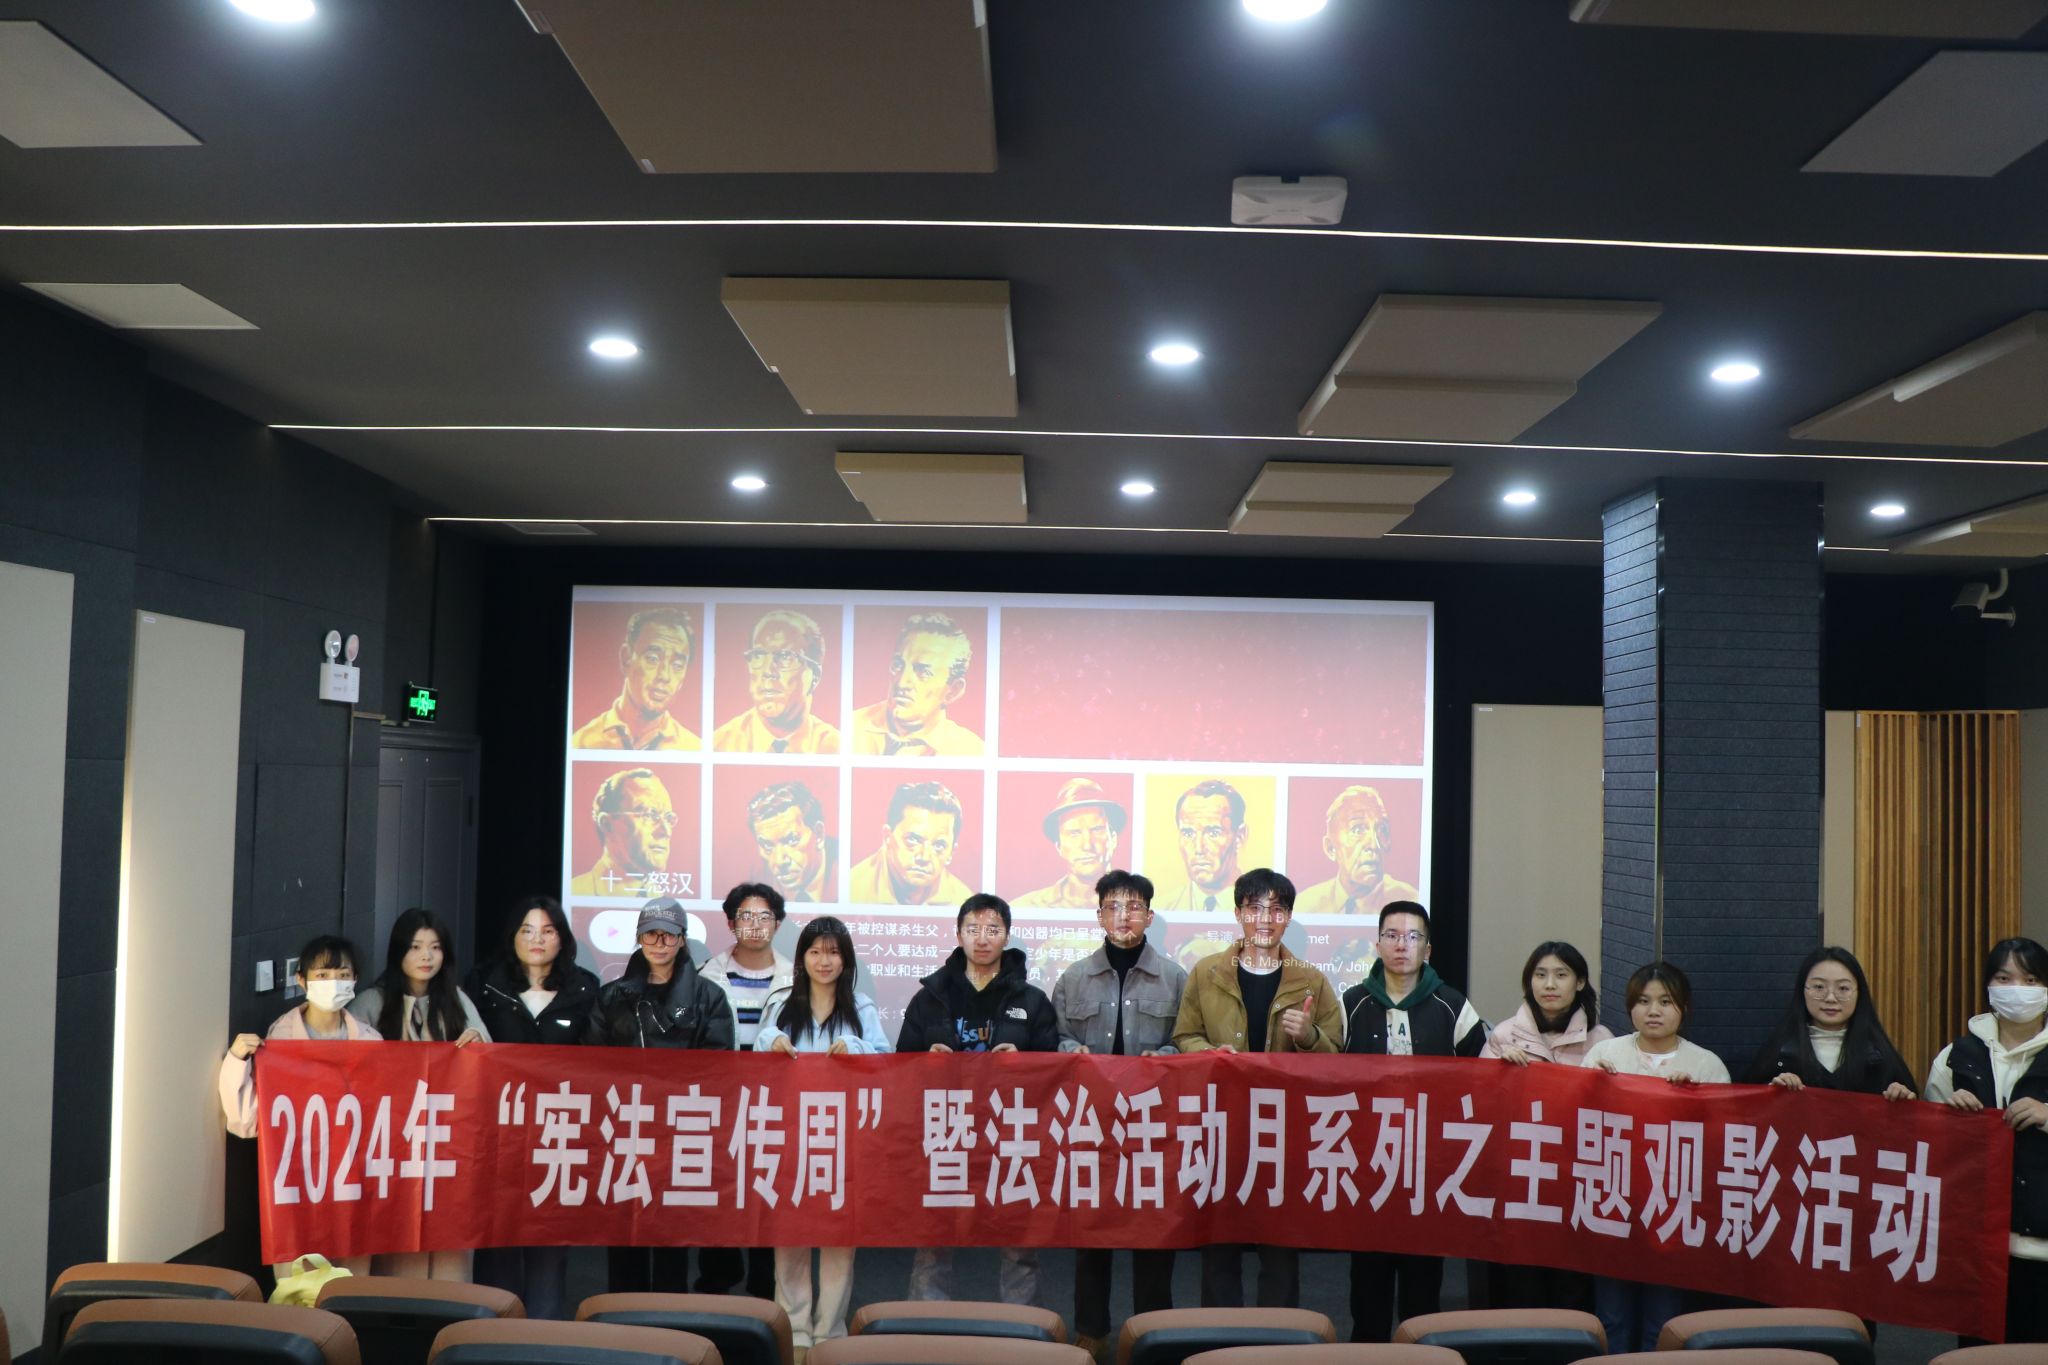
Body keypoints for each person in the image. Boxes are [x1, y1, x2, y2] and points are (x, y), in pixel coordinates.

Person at [1172, 869, 1344, 1309]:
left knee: (1280, 1241)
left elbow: (1337, 1058)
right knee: (1219, 1239)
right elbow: (1184, 1036)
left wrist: (1308, 1036)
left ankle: (1279, 1334)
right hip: (1221, 1124)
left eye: (1277, 910)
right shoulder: (1207, 972)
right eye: (1254, 908)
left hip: (1284, 1128)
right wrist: (1211, 1053)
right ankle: (1219, 1334)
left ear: (1288, 917)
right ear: (1238, 914)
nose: (1265, 919)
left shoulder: (1310, 980)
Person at [1049, 870, 1185, 1361]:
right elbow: (1056, 1037)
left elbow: (1187, 1039)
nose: (1123, 915)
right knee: (1092, 1229)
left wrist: (1164, 1055)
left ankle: (1153, 1329)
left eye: (1134, 907)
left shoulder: (1175, 977)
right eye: (1113, 906)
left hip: (1152, 1124)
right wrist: (1073, 1050)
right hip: (1093, 1121)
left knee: (1154, 1232)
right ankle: (1091, 1329)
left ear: (1150, 915)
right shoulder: (1073, 978)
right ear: (1099, 915)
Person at [898, 894, 1059, 1305]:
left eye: (992, 930)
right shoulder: (930, 996)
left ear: (1007, 936)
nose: (982, 938)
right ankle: (927, 1322)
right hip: (946, 1127)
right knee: (935, 1234)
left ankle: (1020, 1325)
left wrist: (1023, 1062)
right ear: (958, 935)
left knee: (1018, 1237)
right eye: (973, 929)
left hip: (1011, 1129)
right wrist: (924, 1061)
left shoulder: (1031, 999)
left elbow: (1055, 1069)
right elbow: (899, 1067)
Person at [1341, 901, 1486, 1341]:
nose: (1401, 945)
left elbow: (1484, 1079)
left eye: (1412, 936)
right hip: (1368, 1163)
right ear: (1377, 944)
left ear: (1428, 949)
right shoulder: (1351, 1003)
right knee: (1368, 1283)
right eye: (1392, 935)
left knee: (1423, 1286)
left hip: (1429, 1166)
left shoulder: (1453, 1005)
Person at [756, 916, 892, 1358]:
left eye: (833, 952)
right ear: (802, 959)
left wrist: (858, 1050)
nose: (824, 961)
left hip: (843, 1141)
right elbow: (754, 1058)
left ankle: (829, 1333)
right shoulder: (780, 1004)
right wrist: (771, 1043)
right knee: (790, 1240)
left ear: (846, 959)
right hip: (791, 1138)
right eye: (815, 952)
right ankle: (794, 1333)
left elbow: (887, 1062)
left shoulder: (862, 1008)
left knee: (839, 1241)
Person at [588, 898, 738, 1295]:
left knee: (672, 1235)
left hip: (681, 1133)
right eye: (650, 934)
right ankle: (623, 1320)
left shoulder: (709, 997)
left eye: (668, 935)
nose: (659, 943)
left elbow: (718, 1067)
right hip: (624, 1131)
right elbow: (591, 1065)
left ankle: (669, 1322)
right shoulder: (611, 997)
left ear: (682, 940)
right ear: (639, 939)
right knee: (624, 1234)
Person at [464, 896, 602, 1317]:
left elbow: (598, 1059)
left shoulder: (584, 988)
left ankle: (544, 1333)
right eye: (527, 930)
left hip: (558, 1132)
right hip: (498, 1131)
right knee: (499, 1237)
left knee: (548, 1240)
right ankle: (497, 1334)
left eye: (547, 930)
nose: (536, 939)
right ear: (513, 936)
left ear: (562, 938)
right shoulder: (483, 984)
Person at [1582, 962, 1729, 1353]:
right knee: (1611, 1316)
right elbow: (1575, 1125)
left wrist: (1695, 1101)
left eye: (1666, 1002)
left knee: (1662, 1320)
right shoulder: (1605, 1053)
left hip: (1673, 1212)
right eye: (1644, 1001)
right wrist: (1591, 1086)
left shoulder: (1705, 1064)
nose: (1653, 1011)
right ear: (1630, 1006)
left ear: (1684, 1008)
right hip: (1613, 1206)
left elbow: (1724, 1141)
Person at [220, 935, 379, 1278]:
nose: (333, 982)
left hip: (354, 1181)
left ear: (355, 980)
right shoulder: (280, 1041)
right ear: (301, 980)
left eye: (343, 974)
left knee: (352, 1285)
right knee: (300, 1286)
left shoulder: (371, 1041)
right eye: (322, 975)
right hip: (298, 1182)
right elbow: (246, 1121)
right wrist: (236, 1060)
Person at [347, 909, 489, 1280]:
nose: (426, 956)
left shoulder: (457, 1000)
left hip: (447, 1143)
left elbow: (490, 1066)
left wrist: (477, 1045)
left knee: (448, 1237)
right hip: (391, 1142)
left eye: (435, 947)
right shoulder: (371, 1002)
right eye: (415, 947)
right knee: (396, 1233)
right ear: (398, 951)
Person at [1924, 937, 2048, 1345]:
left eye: (2030, 980)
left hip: (2042, 1250)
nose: (2017, 989)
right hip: (1977, 1247)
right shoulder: (1954, 1057)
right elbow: (1928, 1145)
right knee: (1979, 1353)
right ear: (1988, 987)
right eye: (2004, 978)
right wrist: (1950, 1119)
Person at [1478, 940, 1612, 1312]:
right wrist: (1498, 1072)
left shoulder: (1602, 1041)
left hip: (1576, 1177)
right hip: (1522, 1177)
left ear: (1580, 982)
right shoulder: (1504, 1035)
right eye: (1540, 975)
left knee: (1572, 1283)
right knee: (1522, 1281)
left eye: (1560, 975)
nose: (1549, 984)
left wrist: (1609, 1081)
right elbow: (1479, 1105)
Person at [698, 883, 793, 1299]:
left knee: (767, 1192)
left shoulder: (797, 978)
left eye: (764, 917)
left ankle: (762, 1289)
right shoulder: (706, 976)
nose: (755, 925)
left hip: (776, 1105)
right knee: (719, 1192)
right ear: (731, 922)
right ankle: (716, 1284)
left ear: (778, 924)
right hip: (720, 1102)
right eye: (746, 916)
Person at [1745, 946, 1915, 1098]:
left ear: (1859, 993)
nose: (1831, 998)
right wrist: (1773, 1090)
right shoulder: (1781, 1053)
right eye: (1819, 987)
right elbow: (1748, 1108)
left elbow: (1912, 1115)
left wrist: (1901, 1098)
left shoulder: (1879, 1057)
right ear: (1802, 991)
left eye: (1843, 988)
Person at [849, 612, 983, 756]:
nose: (901, 683)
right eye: (898, 665)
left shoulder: (973, 752)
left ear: (953, 691)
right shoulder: (848, 728)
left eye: (923, 671)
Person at [571, 606, 701, 750]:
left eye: (677, 665)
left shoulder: (693, 748)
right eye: (652, 659)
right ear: (626, 658)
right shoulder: (580, 744)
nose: (664, 676)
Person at [712, 610, 841, 754]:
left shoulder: (837, 748)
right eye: (758, 655)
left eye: (785, 656)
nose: (768, 671)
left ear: (814, 676)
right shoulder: (718, 745)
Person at [1293, 786, 1421, 916]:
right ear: (1330, 848)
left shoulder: (1412, 904)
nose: (1373, 845)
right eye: (1357, 829)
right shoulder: (1303, 907)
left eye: (1382, 829)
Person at [848, 780, 974, 906]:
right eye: (913, 840)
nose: (924, 857)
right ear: (887, 837)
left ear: (951, 852)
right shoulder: (850, 891)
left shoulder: (963, 901)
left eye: (939, 846)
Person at [1013, 779, 1126, 910]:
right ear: (1059, 847)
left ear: (1113, 839)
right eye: (1074, 833)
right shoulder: (1025, 907)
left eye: (1097, 830)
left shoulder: (1138, 903)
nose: (1087, 845)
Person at [570, 768, 680, 897]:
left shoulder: (662, 899)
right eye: (649, 815)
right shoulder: (576, 892)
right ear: (608, 825)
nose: (666, 831)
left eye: (668, 817)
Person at [1156, 780, 1247, 913]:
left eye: (1213, 833)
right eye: (1188, 833)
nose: (1199, 849)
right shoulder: (1160, 909)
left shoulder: (1266, 907)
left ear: (1239, 837)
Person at [747, 781, 833, 903]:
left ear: (819, 835)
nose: (779, 861)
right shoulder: (755, 884)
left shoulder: (854, 874)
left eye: (791, 840)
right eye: (767, 845)